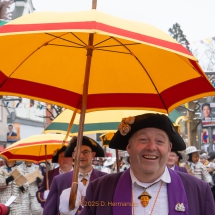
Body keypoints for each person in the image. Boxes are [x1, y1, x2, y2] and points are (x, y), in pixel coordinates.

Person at [80, 113, 215, 215]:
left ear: (169, 148)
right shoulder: (99, 190)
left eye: (160, 141)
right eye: (143, 140)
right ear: (129, 147)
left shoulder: (199, 191)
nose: (151, 147)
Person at [43, 136, 107, 215]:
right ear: (73, 155)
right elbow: (49, 212)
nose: (81, 156)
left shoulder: (105, 179)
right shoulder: (59, 181)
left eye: (85, 152)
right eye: (78, 152)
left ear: (93, 154)